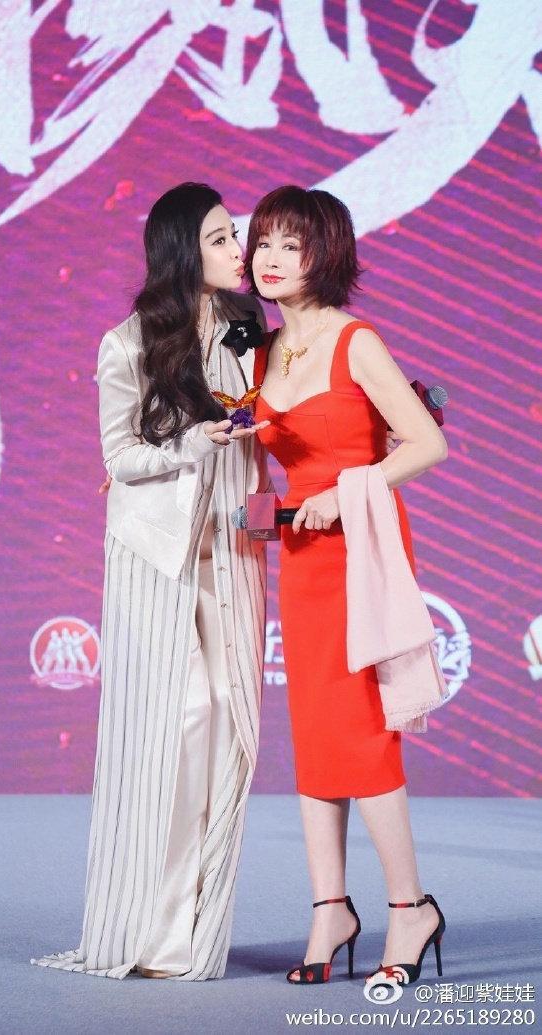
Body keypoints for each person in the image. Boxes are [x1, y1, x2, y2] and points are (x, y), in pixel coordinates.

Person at [30, 182, 272, 980]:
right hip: (156, 557)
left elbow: (271, 422)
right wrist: (190, 446)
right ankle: (148, 930)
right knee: (180, 726)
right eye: (219, 237)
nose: (238, 249)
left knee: (232, 731)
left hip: (233, 554)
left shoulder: (247, 326)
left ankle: (198, 932)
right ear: (180, 249)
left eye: (235, 234)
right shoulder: (128, 341)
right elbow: (119, 457)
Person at [246, 185, 448, 986]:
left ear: (324, 253)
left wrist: (347, 489)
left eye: (291, 245)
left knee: (364, 731)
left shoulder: (356, 340)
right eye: (263, 241)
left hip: (361, 548)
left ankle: (409, 907)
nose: (270, 258)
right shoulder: (259, 354)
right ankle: (330, 906)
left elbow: (426, 442)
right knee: (315, 732)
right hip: (300, 557)